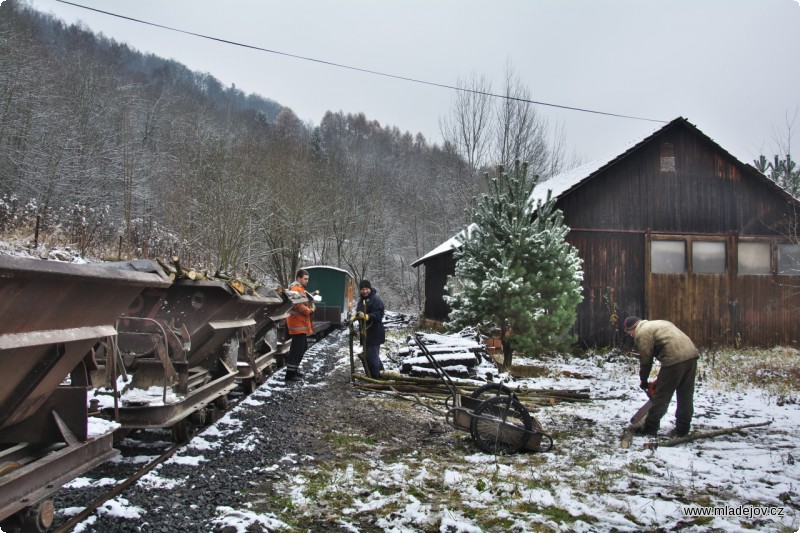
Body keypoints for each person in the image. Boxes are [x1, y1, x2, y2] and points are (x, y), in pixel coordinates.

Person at [623, 316, 699, 438]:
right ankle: (683, 429)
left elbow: (646, 360)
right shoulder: (660, 323)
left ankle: (650, 429)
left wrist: (643, 380)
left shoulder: (642, 332)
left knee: (660, 397)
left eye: (629, 333)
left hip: (674, 359)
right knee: (685, 396)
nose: (631, 336)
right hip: (692, 356)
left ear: (631, 329)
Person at [284, 268, 315, 382]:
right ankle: (290, 374)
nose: (307, 281)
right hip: (297, 324)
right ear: (298, 279)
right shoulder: (295, 288)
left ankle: (294, 370)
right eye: (305, 279)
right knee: (297, 349)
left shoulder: (300, 288)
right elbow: (298, 305)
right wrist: (309, 311)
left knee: (302, 347)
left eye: (307, 279)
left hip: (300, 324)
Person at [355, 279, 385, 379]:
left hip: (374, 333)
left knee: (372, 358)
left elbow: (379, 314)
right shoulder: (361, 300)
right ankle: (381, 374)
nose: (364, 291)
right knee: (370, 357)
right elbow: (359, 312)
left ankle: (375, 378)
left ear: (370, 289)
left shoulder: (375, 299)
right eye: (362, 289)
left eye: (366, 289)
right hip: (366, 334)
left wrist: (367, 316)